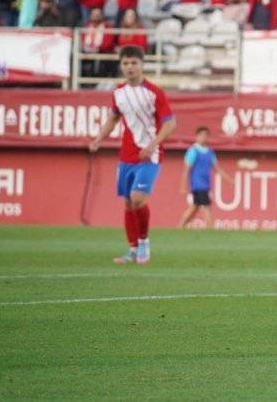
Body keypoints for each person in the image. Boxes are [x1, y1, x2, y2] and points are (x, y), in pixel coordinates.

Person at [89, 45, 177, 265]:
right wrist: (99, 138)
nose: (130, 67)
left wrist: (153, 144)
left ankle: (145, 241)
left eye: (134, 63)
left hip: (150, 155)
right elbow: (113, 118)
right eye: (126, 63)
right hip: (126, 155)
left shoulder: (154, 93)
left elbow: (170, 123)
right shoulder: (118, 92)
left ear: (142, 64)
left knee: (138, 198)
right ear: (121, 65)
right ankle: (133, 249)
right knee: (128, 203)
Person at [179, 127, 230, 229]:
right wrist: (183, 186)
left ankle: (180, 227)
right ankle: (211, 229)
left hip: (206, 184)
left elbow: (216, 168)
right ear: (197, 136)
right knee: (206, 207)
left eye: (206, 135)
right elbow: (186, 169)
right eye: (201, 135)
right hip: (198, 184)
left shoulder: (210, 152)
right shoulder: (193, 151)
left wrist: (228, 179)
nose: (204, 137)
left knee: (194, 207)